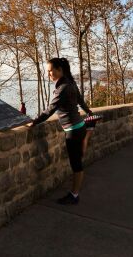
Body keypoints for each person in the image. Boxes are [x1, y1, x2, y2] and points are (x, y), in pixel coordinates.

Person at [27, 57, 93, 205]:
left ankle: (74, 195)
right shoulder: (70, 83)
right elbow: (80, 100)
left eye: (51, 71)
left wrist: (35, 121)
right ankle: (74, 193)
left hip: (73, 130)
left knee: (76, 164)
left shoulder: (63, 87)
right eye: (48, 72)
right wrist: (88, 111)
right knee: (77, 162)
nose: (49, 74)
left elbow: (51, 109)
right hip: (79, 127)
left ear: (59, 70)